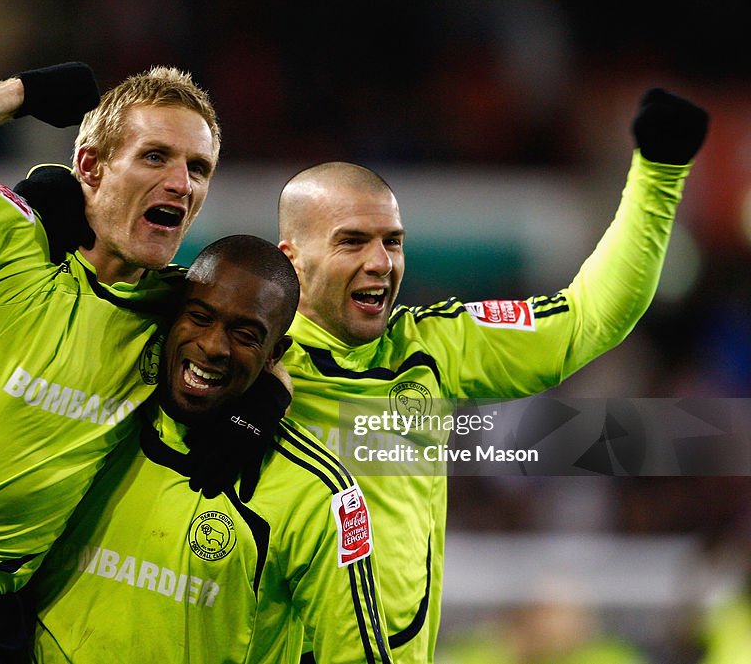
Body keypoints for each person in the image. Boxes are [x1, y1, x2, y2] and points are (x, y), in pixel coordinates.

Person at [0, 62, 289, 663]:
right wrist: (17, 95)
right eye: (154, 157)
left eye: (198, 168)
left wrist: (264, 407)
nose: (181, 182)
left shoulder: (172, 310)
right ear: (90, 167)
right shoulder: (10, 242)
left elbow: (273, 344)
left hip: (11, 614)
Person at [274, 87, 708, 662]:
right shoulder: (241, 357)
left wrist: (657, 178)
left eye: (392, 242)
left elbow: (586, 319)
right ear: (292, 259)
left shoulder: (432, 346)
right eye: (352, 241)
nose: (380, 262)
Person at [29, 235, 391, 663]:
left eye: (245, 334)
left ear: (275, 353)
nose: (214, 346)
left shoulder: (315, 493)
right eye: (200, 317)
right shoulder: (93, 423)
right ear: (172, 316)